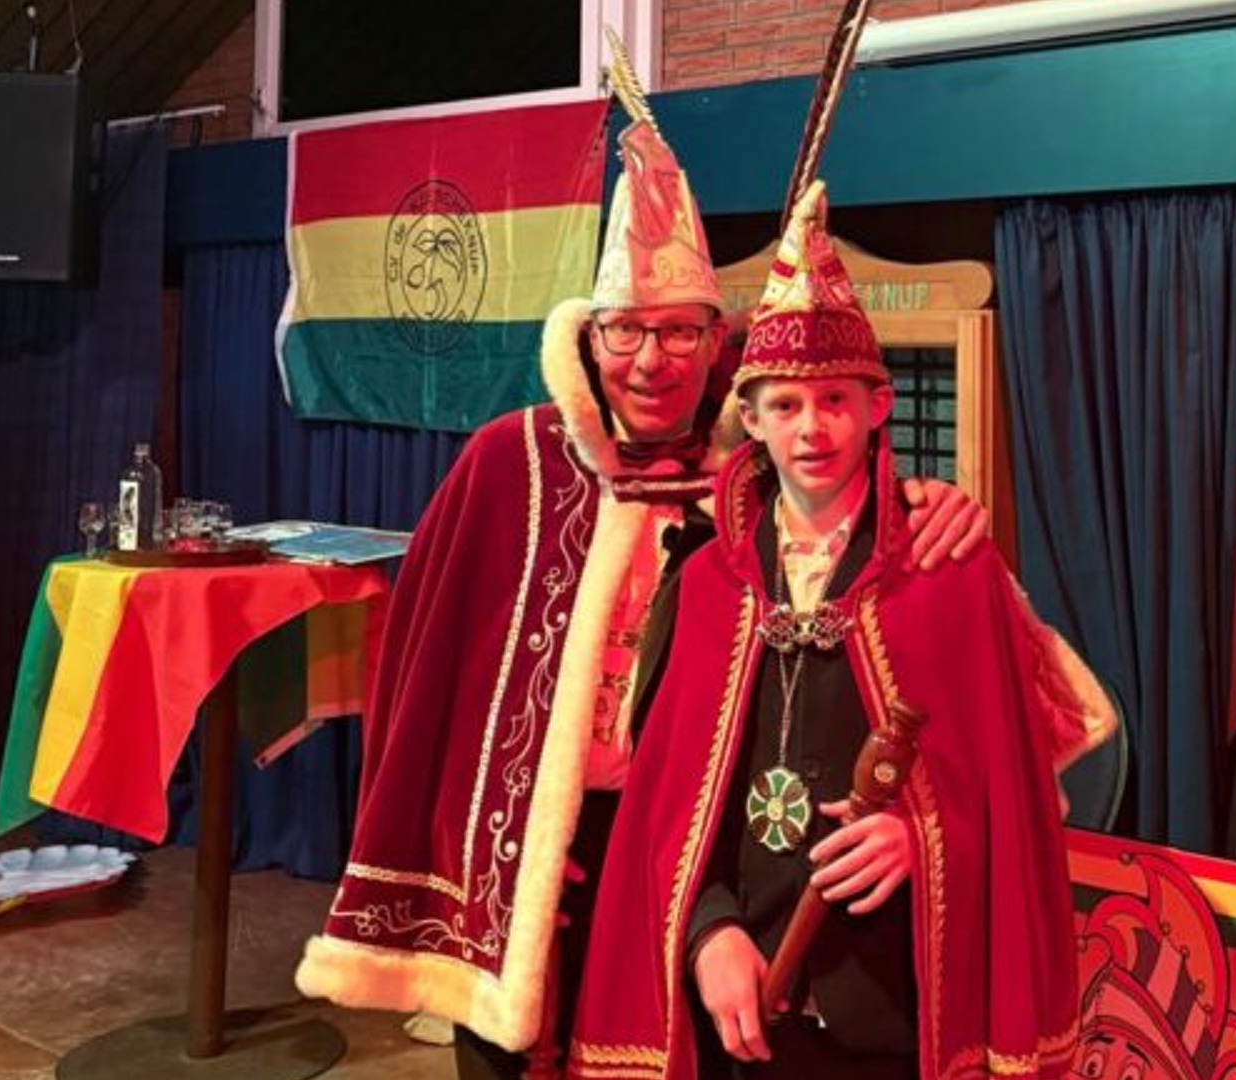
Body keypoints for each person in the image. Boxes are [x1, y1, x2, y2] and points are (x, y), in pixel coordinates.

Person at [293, 89, 994, 1079]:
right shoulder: (511, 464)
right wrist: (487, 857)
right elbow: (427, 684)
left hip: (694, 854)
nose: (651, 360)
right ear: (589, 338)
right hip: (535, 852)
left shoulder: (753, 489)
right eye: (625, 331)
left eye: (679, 333)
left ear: (717, 344)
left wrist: (923, 499)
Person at [568, 180, 1116, 1080]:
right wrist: (707, 932)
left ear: (879, 405)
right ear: (750, 418)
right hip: (743, 1005)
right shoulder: (706, 586)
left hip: (894, 1014)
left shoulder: (949, 569)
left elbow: (1014, 803)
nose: (812, 428)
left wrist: (920, 834)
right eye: (785, 405)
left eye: (834, 400)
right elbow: (669, 808)